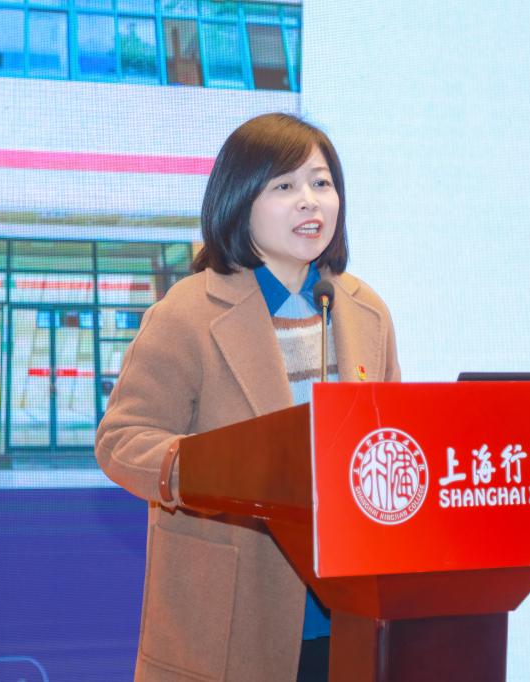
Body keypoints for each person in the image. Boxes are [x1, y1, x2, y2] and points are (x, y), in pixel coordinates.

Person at [95, 113, 400, 682]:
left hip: (353, 615)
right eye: (284, 186)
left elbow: (392, 443)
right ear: (239, 201)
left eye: (321, 183)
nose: (309, 201)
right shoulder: (188, 313)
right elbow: (120, 440)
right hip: (232, 617)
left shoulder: (364, 310)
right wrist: (219, 469)